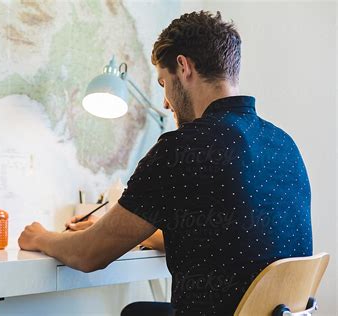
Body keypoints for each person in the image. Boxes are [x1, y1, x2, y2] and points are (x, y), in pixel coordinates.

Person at [18, 10, 312, 315]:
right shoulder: (284, 144)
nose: (165, 102)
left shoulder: (182, 147)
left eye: (162, 84)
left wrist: (40, 236)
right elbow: (235, 242)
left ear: (183, 68)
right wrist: (134, 234)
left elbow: (90, 255)